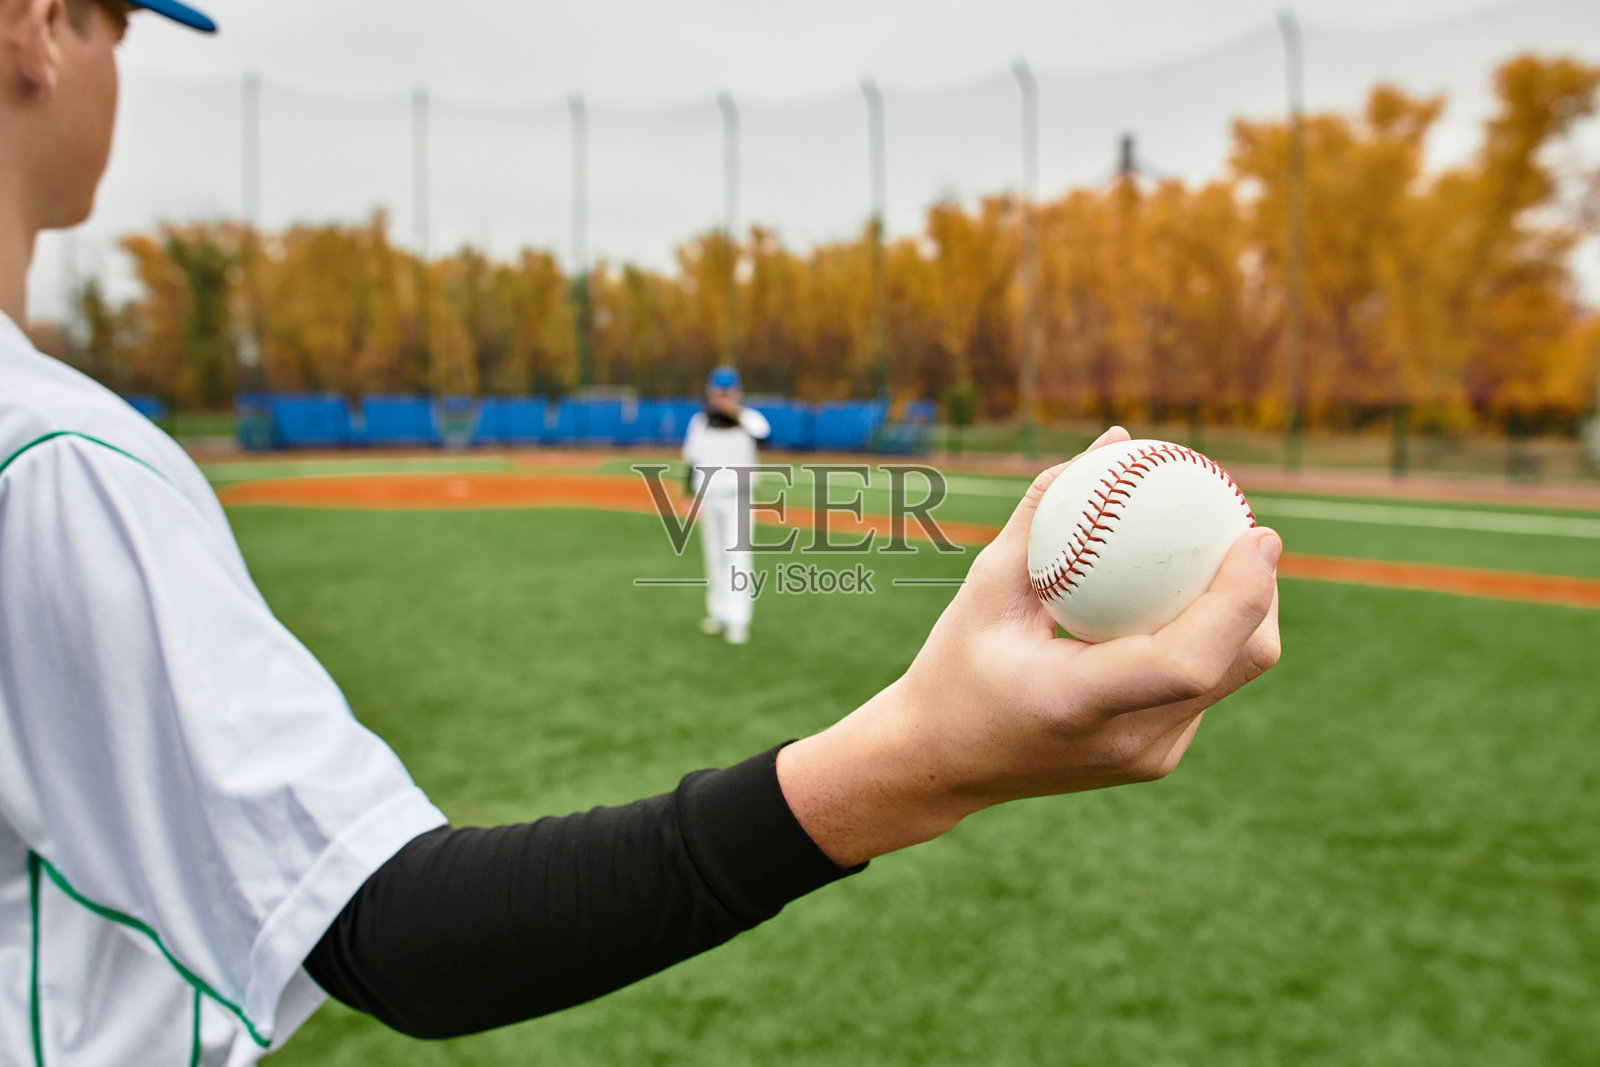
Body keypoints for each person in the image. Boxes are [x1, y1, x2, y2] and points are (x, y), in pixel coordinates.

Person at [0, 2, 1283, 1063]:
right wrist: (926, 756)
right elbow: (399, 933)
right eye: (113, 18)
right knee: (723, 563)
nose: (121, 56)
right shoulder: (53, 455)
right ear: (36, 28)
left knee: (733, 563)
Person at [682, 365, 771, 645]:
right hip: (710, 497)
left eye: (727, 390)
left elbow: (766, 436)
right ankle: (718, 612)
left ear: (737, 391)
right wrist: (689, 496)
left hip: (738, 498)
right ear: (709, 391)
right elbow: (691, 459)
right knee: (714, 557)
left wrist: (733, 412)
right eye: (718, 390)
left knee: (738, 559)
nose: (721, 396)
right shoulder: (700, 421)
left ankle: (739, 618)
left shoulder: (748, 419)